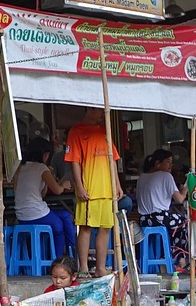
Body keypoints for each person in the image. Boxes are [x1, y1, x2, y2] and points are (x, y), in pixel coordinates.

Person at [65, 106, 119, 276]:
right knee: (86, 227)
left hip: (107, 190)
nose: (103, 114)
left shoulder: (105, 132)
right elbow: (74, 161)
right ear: (89, 109)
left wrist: (117, 184)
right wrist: (79, 186)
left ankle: (100, 267)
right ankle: (83, 267)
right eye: (100, 110)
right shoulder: (76, 131)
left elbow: (113, 160)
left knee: (105, 228)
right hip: (90, 190)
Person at [12, 136, 76, 259]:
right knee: (59, 228)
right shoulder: (42, 168)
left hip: (21, 215)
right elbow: (57, 190)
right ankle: (60, 259)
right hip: (36, 213)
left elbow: (39, 193)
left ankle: (71, 251)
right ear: (43, 154)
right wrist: (63, 185)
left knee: (64, 215)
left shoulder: (20, 168)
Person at [136, 149, 189, 270]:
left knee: (174, 223)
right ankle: (179, 258)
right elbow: (180, 199)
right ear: (158, 163)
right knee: (184, 222)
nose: (171, 165)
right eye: (168, 162)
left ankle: (166, 255)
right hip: (160, 218)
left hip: (144, 220)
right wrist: (186, 187)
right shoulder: (166, 176)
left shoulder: (141, 177)